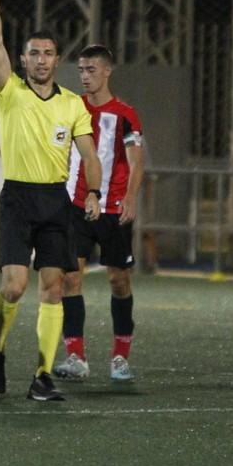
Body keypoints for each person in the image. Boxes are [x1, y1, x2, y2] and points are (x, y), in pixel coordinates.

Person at [0, 0, 103, 402]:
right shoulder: (9, 92)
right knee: (13, 288)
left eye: (48, 53)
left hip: (55, 201)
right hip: (17, 199)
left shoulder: (73, 105)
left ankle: (42, 375)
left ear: (57, 59)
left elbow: (89, 153)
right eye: (34, 53)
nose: (41, 60)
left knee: (54, 287)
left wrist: (93, 191)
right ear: (25, 58)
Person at [52, 44, 144, 382]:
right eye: (81, 70)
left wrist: (131, 198)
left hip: (113, 209)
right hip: (76, 207)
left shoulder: (125, 114)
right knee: (69, 277)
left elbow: (136, 161)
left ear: (107, 71)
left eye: (91, 70)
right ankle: (76, 356)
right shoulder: (72, 108)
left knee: (118, 281)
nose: (85, 76)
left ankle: (120, 357)